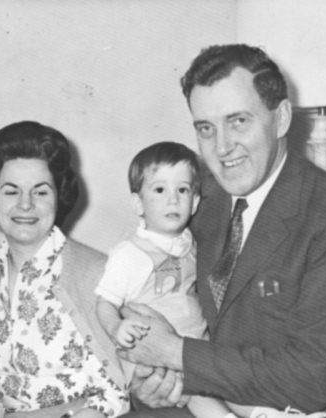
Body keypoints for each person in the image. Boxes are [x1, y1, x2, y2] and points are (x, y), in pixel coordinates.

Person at [123, 44, 326, 417]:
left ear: (280, 119)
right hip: (221, 399)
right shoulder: (198, 200)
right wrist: (147, 380)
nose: (222, 147)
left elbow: (309, 380)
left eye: (238, 121)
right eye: (206, 128)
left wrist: (173, 353)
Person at [0, 121, 129, 418]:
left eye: (40, 192)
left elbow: (118, 392)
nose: (25, 204)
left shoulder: (100, 276)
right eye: (11, 192)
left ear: (59, 196)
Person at [94, 142, 234, 418]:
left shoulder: (188, 241)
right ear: (138, 203)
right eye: (159, 190)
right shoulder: (131, 253)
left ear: (194, 201)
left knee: (229, 380)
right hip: (154, 356)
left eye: (182, 190)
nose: (173, 199)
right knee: (195, 392)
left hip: (195, 346)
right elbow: (104, 302)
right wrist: (116, 328)